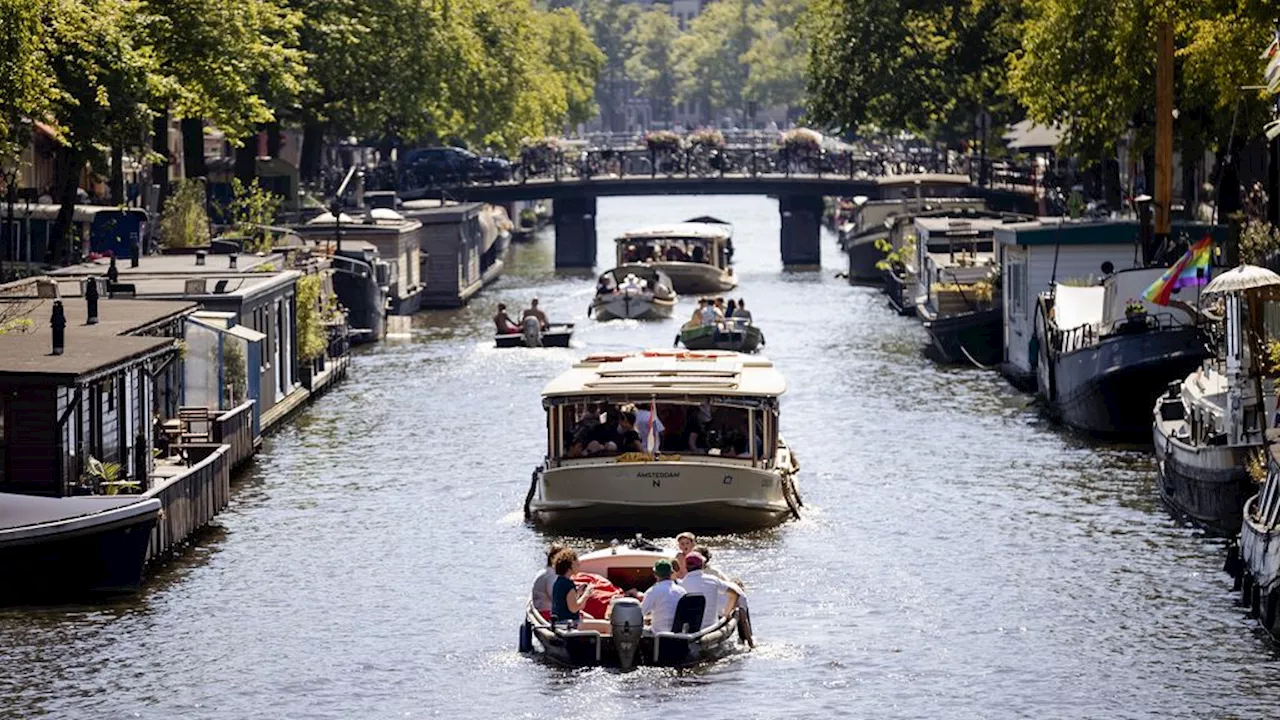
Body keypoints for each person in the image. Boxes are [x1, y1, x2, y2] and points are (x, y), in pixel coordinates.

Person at [679, 551, 738, 632]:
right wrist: (726, 614)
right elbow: (734, 594)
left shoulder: (680, 585)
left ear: (685, 566)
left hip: (690, 630)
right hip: (712, 627)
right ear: (702, 565)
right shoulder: (713, 580)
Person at [637, 559, 686, 631]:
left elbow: (640, 613)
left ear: (655, 575)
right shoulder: (682, 591)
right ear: (671, 573)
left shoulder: (652, 591)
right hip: (679, 634)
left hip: (658, 633)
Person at [550, 549, 593, 625]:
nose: (579, 566)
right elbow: (574, 608)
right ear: (571, 565)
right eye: (577, 564)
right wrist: (586, 594)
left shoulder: (559, 581)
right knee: (608, 626)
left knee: (592, 619)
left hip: (559, 622)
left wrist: (578, 593)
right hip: (568, 624)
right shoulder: (568, 584)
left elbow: (565, 603)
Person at [532, 543, 567, 618]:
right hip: (548, 614)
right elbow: (555, 599)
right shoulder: (552, 576)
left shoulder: (543, 572)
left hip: (540, 610)